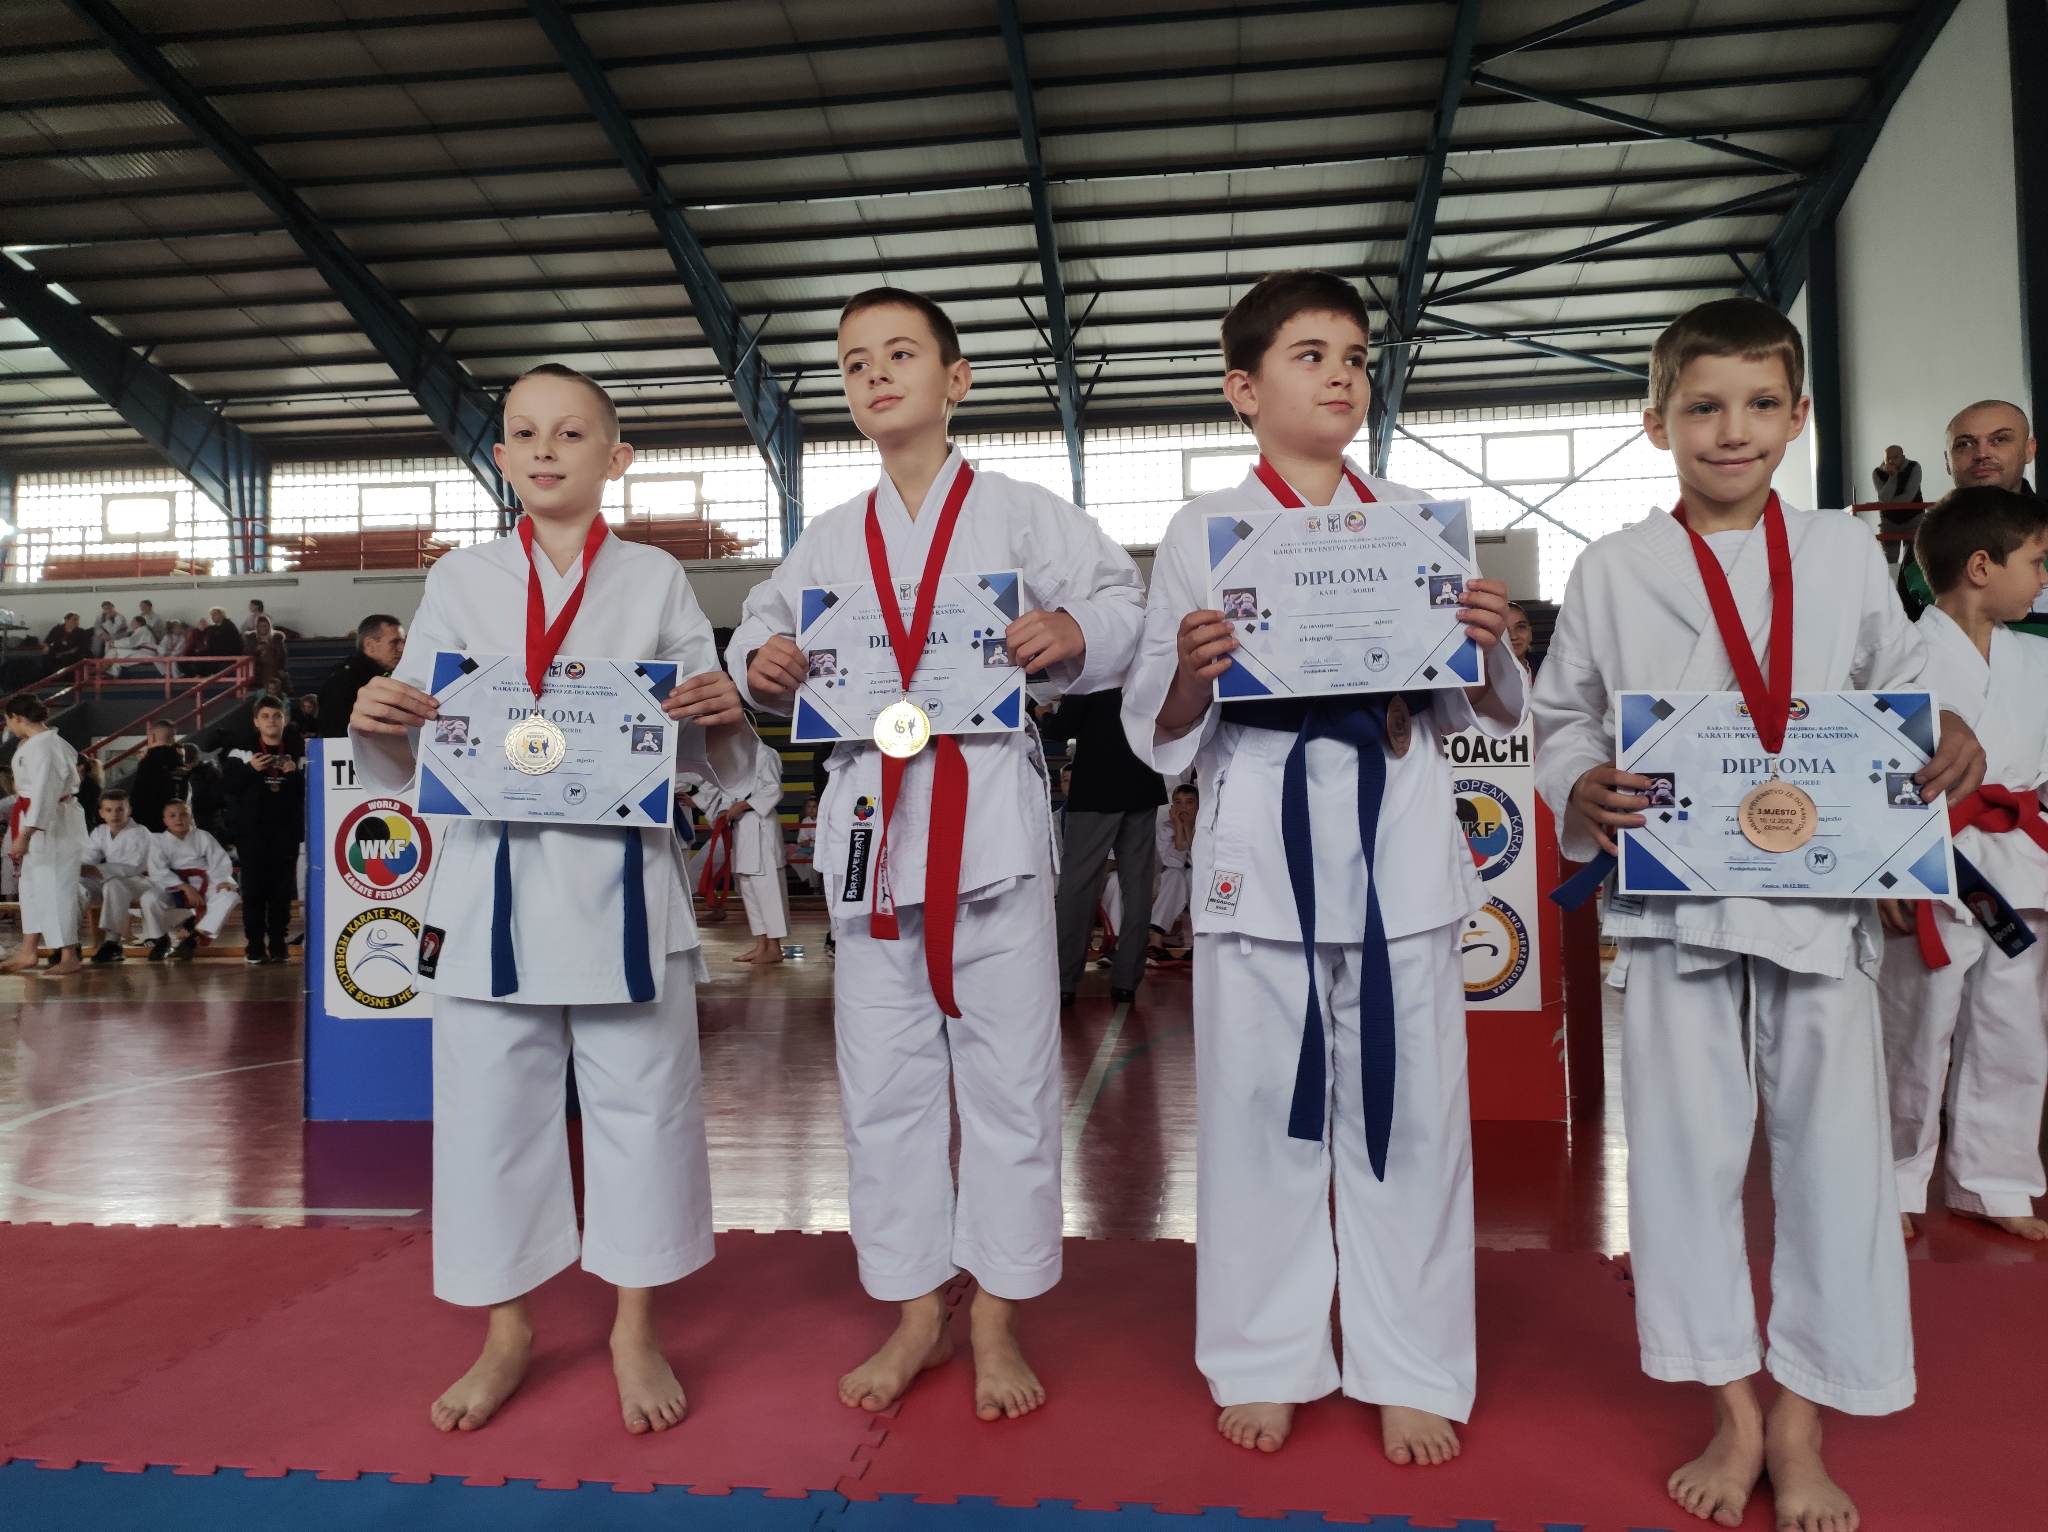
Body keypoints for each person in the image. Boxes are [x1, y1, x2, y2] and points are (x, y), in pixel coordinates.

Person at [1531, 297, 1986, 1532]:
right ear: (1655, 422)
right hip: (1671, 904)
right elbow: (1561, 713)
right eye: (1701, 406)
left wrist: (1946, 726)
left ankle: (1802, 1414)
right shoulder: (1610, 565)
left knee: (1835, 1158)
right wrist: (1577, 778)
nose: (1729, 430)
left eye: (1757, 405)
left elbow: (1900, 683)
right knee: (1680, 1158)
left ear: (1796, 418)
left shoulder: (1840, 552)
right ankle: (1730, 1406)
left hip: (1815, 901)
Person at [1122, 269, 1525, 1466]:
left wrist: (1487, 642)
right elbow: (1155, 724)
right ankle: (1265, 1356)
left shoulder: (1415, 519)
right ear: (1242, 389)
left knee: (1413, 1117)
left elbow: (1484, 705)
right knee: (1258, 1120)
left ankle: (1412, 1363)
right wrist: (1193, 666)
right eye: (1310, 355)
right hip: (1262, 842)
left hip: (1398, 838)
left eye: (1354, 355)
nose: (1342, 374)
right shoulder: (1201, 531)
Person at [730, 287, 1143, 1424]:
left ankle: (999, 1311)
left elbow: (1121, 597)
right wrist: (763, 658)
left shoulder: (1022, 512)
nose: (874, 375)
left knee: (1010, 1080)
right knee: (884, 1085)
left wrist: (1072, 632)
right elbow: (759, 623)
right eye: (854, 361)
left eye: (900, 354)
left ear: (955, 380)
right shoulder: (830, 534)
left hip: (990, 819)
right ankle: (915, 1306)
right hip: (872, 821)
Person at [348, 362, 753, 1438]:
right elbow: (414, 737)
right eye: (524, 432)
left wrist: (717, 712)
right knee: (490, 1117)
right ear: (499, 456)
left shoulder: (655, 578)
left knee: (644, 1111)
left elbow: (703, 743)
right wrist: (381, 718)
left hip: (623, 889)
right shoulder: (462, 578)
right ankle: (507, 1329)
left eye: (570, 433)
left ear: (615, 457)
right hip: (491, 885)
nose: (544, 449)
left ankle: (633, 1325)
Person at [1876, 487, 2048, 1243]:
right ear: (1982, 567)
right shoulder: (1897, 659)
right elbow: (1868, 777)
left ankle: (1996, 1178)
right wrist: (1882, 869)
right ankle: (1892, 1179)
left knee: (2015, 1029)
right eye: (2036, 562)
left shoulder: (2038, 659)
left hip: (2020, 861)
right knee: (1914, 1028)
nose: (2043, 577)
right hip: (1929, 864)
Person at [1043, 687, 1164, 1005]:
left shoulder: (1092, 673)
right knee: (1137, 887)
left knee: (1078, 886)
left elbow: (1062, 728)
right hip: (1143, 780)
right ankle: (1126, 982)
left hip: (1096, 786)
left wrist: (1044, 714)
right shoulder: (1148, 665)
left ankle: (1064, 979)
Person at [1900, 401, 2041, 620]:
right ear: (1947, 461)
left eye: (2000, 439)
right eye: (1964, 444)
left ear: (2028, 450)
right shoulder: (1924, 543)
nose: (1982, 453)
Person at [3, 696, 88, 976]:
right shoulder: (40, 743)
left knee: (57, 888)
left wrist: (26, 833)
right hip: (38, 819)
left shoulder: (46, 747)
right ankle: (28, 951)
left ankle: (68, 955)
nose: (8, 725)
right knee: (31, 887)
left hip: (53, 824)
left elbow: (44, 793)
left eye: (7, 720)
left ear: (17, 718)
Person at [222, 695, 305, 966]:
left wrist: (294, 774)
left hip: (285, 833)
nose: (272, 720)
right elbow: (228, 787)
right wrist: (251, 769)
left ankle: (279, 944)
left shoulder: (299, 750)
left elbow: (309, 792)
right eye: (266, 716)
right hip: (252, 834)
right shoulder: (240, 752)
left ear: (285, 720)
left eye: (277, 716)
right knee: (254, 892)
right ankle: (255, 946)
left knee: (281, 893)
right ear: (256, 721)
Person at [142, 799, 237, 962]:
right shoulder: (157, 840)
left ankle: (195, 936)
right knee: (149, 898)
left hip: (205, 880)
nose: (179, 819)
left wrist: (222, 880)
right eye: (172, 815)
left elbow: (218, 860)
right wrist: (185, 887)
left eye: (184, 814)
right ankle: (161, 940)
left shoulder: (203, 836)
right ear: (165, 820)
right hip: (173, 883)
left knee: (230, 896)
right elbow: (158, 870)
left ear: (191, 817)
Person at [725, 733, 790, 966]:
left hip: (761, 825)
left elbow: (774, 789)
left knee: (768, 891)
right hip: (742, 828)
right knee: (749, 890)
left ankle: (775, 947)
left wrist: (744, 805)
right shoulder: (734, 757)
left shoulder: (766, 753)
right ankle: (761, 944)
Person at [80, 787, 161, 963]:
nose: (114, 815)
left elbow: (135, 867)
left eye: (119, 809)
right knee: (77, 885)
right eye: (109, 810)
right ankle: (68, 944)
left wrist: (98, 870)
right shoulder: (100, 832)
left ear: (129, 810)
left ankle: (113, 942)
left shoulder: (140, 832)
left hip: (141, 882)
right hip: (109, 880)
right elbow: (87, 858)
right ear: (102, 813)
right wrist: (80, 868)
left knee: (114, 885)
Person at [317, 614, 405, 739]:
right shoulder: (343, 682)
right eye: (394, 642)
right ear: (369, 645)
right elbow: (336, 735)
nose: (402, 648)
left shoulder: (387, 677)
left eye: (403, 642)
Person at [1147, 782, 1197, 959]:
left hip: (1198, 881)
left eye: (1189, 802)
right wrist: (1179, 827)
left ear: (1198, 806)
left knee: (1193, 875)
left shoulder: (1206, 826)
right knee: (1174, 875)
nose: (1183, 807)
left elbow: (1201, 861)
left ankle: (1200, 942)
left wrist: (1188, 828)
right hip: (1168, 883)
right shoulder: (1166, 828)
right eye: (1178, 802)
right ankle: (1155, 939)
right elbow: (1173, 862)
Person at [128, 720, 181, 831]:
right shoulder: (180, 762)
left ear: (152, 737)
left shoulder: (148, 762)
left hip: (149, 822)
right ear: (173, 738)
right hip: (176, 821)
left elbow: (139, 795)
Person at [245, 614, 290, 697]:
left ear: (269, 626)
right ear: (257, 627)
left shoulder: (277, 637)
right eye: (260, 626)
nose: (263, 628)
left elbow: (282, 655)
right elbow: (247, 654)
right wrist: (257, 651)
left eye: (265, 626)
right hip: (257, 666)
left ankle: (272, 692)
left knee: (273, 668)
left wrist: (281, 668)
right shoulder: (252, 638)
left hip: (274, 666)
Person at [791, 794, 821, 893]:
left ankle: (815, 888)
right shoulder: (805, 820)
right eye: (809, 806)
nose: (811, 809)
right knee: (793, 858)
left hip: (819, 850)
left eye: (814, 806)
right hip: (806, 849)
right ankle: (808, 878)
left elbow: (822, 841)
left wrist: (811, 842)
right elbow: (801, 840)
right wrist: (809, 842)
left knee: (810, 864)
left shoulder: (822, 820)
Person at [1505, 602, 1535, 667]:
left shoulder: (1545, 671)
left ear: (1530, 633)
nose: (1513, 637)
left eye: (1520, 627)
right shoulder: (1483, 673)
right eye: (1504, 630)